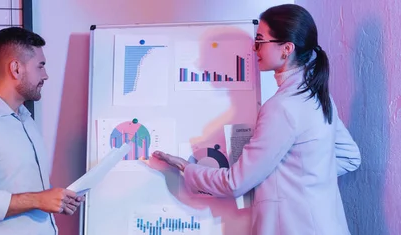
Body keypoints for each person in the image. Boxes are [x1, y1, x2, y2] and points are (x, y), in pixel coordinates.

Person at [152, 4, 361, 235]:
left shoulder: (282, 107)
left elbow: (235, 183)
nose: (254, 48)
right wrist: (301, 177)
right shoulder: (317, 95)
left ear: (286, 48)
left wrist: (185, 167)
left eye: (260, 41)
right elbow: (350, 158)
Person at [0, 27, 84, 235]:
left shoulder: (26, 120)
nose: (45, 75)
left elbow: (23, 187)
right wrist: (38, 199)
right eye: (40, 66)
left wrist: (56, 200)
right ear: (16, 69)